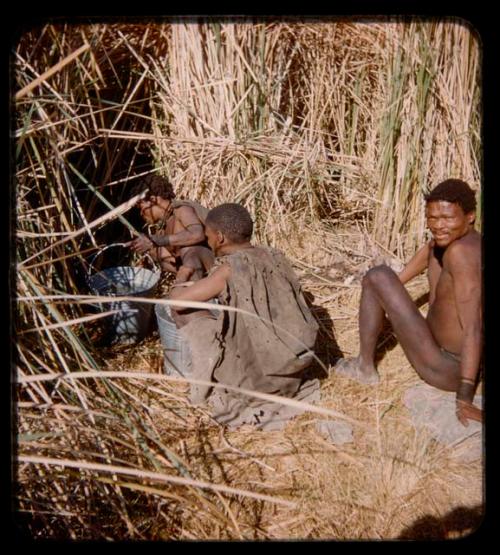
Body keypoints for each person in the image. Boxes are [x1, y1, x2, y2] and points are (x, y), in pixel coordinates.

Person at [334, 179, 482, 426]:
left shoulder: (463, 254)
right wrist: (391, 290)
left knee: (376, 276)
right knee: (383, 279)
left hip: (448, 368)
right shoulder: (452, 240)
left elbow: (473, 329)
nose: (438, 225)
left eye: (447, 218)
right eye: (432, 218)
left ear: (470, 217)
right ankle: (380, 289)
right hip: (440, 349)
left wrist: (465, 396)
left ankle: (364, 368)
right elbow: (427, 253)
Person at [168, 203, 320, 430]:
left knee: (180, 311)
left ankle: (203, 377)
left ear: (219, 238)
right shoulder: (274, 255)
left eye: (208, 237)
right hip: (292, 369)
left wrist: (181, 276)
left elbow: (178, 302)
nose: (208, 242)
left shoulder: (228, 270)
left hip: (259, 382)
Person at [127, 174, 214, 284]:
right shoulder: (164, 227)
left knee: (188, 251)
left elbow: (197, 234)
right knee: (155, 252)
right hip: (196, 272)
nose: (141, 213)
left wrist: (155, 240)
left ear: (153, 200)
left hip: (216, 264)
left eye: (141, 208)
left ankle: (195, 290)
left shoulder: (182, 209)